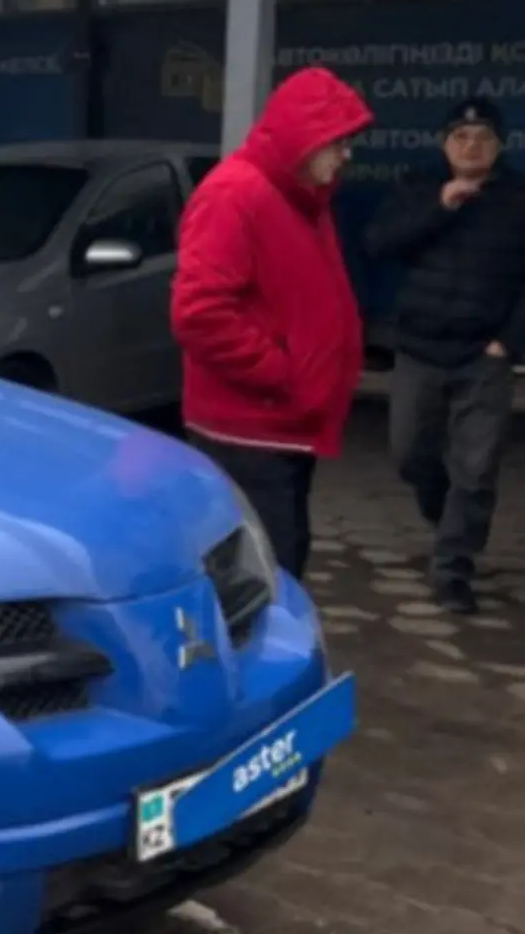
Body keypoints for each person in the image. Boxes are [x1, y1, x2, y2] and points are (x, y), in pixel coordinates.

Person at [171, 66, 374, 579]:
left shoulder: (301, 198)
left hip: (279, 424)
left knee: (281, 559)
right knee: (265, 573)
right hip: (249, 428)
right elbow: (200, 313)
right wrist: (282, 374)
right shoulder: (236, 194)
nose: (346, 155)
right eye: (338, 142)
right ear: (306, 138)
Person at [365, 96, 525, 614]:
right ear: (443, 144)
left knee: (475, 469)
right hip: (420, 349)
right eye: (460, 137)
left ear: (500, 146)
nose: (471, 146)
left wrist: (509, 341)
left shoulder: (517, 199)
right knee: (412, 455)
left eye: (483, 139)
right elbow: (379, 243)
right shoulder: (419, 187)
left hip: (483, 355)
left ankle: (454, 567)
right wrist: (442, 205)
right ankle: (447, 523)